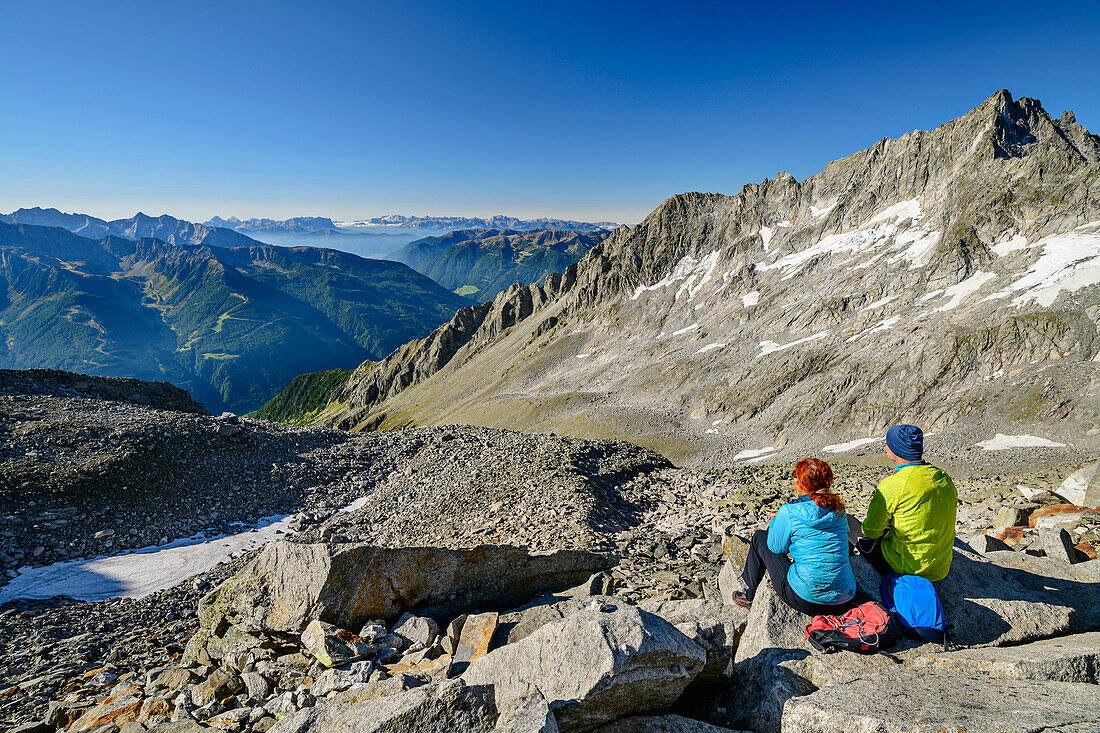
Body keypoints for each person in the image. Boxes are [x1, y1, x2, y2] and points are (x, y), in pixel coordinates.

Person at [734, 457, 856, 615]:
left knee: (759, 537)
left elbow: (776, 547)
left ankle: (749, 596)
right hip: (845, 599)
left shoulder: (789, 511)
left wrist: (776, 522)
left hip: (807, 600)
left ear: (800, 484)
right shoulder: (838, 509)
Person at [848, 424, 957, 582]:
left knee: (847, 521)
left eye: (887, 443)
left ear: (894, 449)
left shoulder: (893, 485)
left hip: (904, 568)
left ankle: (849, 575)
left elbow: (871, 532)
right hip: (939, 569)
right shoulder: (943, 478)